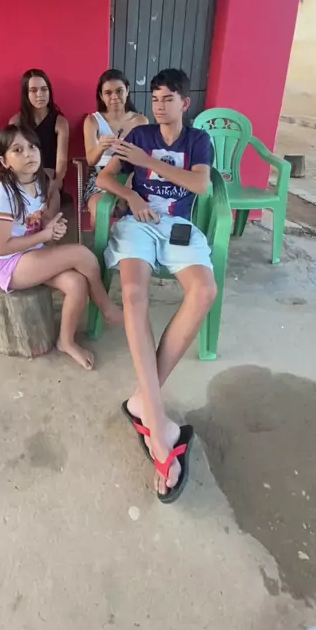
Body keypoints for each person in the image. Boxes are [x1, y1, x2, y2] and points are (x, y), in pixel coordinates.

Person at [96, 69, 217, 503]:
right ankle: (158, 426)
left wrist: (148, 164)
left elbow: (200, 185)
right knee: (134, 296)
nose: (160, 105)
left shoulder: (198, 141)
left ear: (185, 103)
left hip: (178, 227)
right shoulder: (139, 135)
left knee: (204, 291)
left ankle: (143, 404)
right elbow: (106, 178)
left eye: (169, 98)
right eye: (155, 98)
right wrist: (131, 196)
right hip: (139, 224)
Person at [0, 124, 122, 370]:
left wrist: (52, 228)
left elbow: (37, 224)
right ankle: (105, 305)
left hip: (32, 254)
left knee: (77, 284)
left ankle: (66, 341)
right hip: (9, 264)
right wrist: (44, 235)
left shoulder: (40, 182)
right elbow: (1, 247)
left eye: (32, 147)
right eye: (18, 150)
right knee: (80, 253)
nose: (28, 154)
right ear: (5, 162)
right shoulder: (3, 192)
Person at [83, 69, 147, 227]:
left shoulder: (140, 121)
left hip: (131, 177)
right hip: (99, 177)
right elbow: (91, 160)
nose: (114, 97)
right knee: (99, 211)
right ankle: (101, 245)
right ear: (101, 96)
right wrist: (100, 147)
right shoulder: (92, 121)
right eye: (108, 93)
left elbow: (145, 158)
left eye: (119, 91)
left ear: (127, 91)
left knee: (137, 213)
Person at [9, 69, 69, 207]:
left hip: (50, 175)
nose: (39, 95)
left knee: (46, 184)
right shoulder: (16, 122)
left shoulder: (59, 122)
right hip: (23, 174)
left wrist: (56, 183)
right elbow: (12, 157)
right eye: (33, 90)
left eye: (44, 89)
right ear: (26, 94)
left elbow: (62, 161)